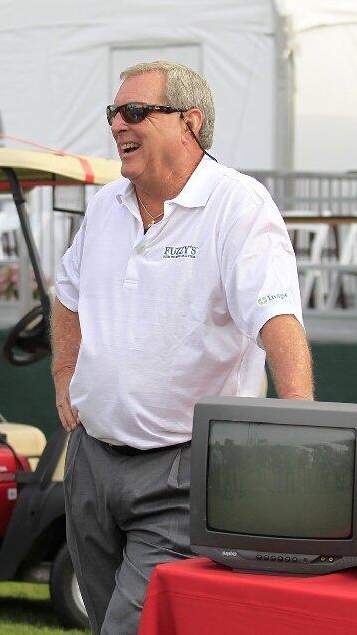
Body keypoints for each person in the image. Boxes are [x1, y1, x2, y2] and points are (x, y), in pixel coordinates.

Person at [51, 61, 314, 634]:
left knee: (131, 627)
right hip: (92, 461)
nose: (118, 124)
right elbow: (66, 293)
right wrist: (64, 371)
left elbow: (276, 316)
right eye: (113, 113)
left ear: (190, 122)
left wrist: (299, 421)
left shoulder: (239, 205)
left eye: (135, 112)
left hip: (184, 472)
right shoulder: (105, 207)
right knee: (102, 622)